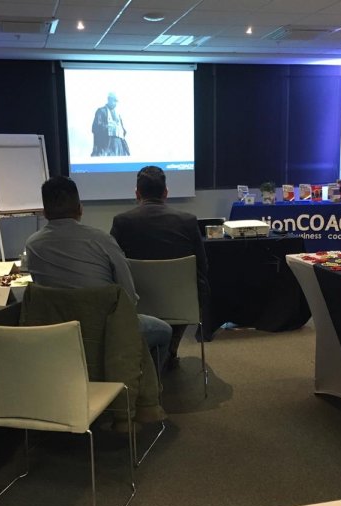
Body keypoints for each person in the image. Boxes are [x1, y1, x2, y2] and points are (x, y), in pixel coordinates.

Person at [24, 176, 170, 422]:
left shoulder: (33, 245)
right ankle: (142, 396)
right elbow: (128, 295)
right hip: (109, 333)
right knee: (163, 331)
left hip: (58, 335)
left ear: (44, 212)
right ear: (80, 208)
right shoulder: (101, 240)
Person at [111, 165, 210, 368]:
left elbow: (113, 265)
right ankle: (171, 347)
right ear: (166, 193)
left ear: (137, 194)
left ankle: (150, 349)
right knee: (198, 287)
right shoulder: (188, 221)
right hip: (182, 302)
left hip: (139, 301)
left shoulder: (122, 222)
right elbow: (202, 265)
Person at [91, 92, 129, 156]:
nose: (115, 103)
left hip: (119, 146)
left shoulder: (118, 114)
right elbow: (95, 127)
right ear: (109, 99)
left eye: (116, 101)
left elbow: (123, 130)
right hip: (106, 145)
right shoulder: (101, 111)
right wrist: (108, 127)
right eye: (114, 100)